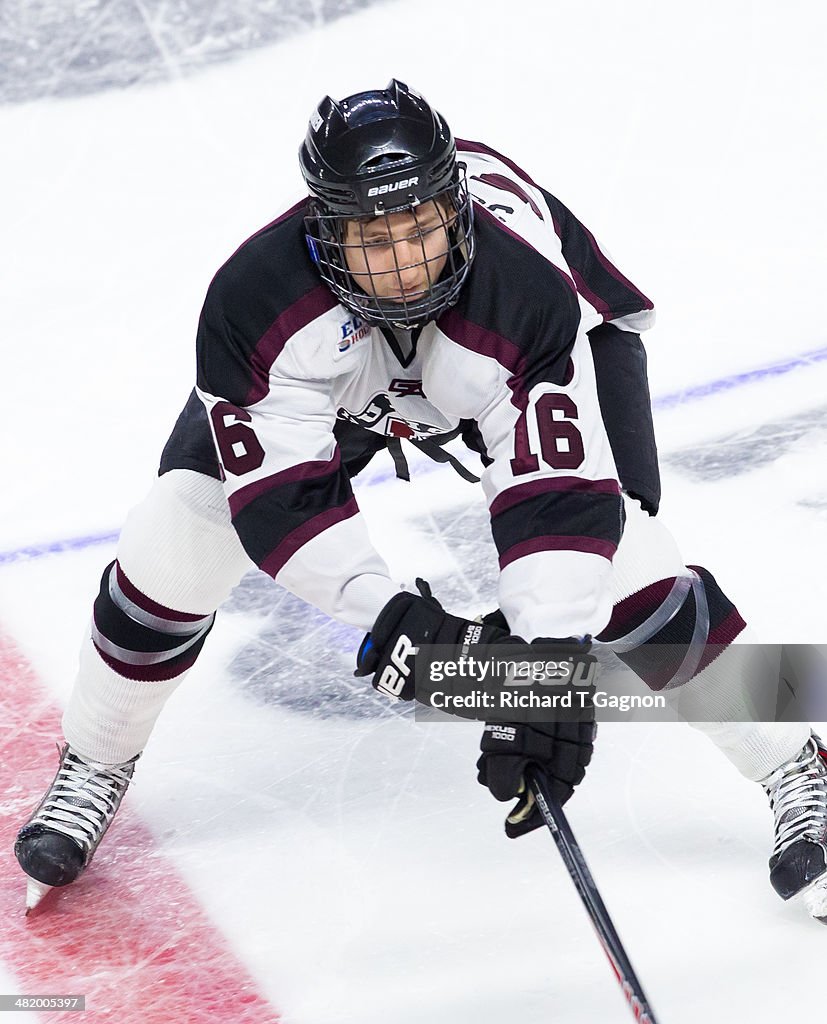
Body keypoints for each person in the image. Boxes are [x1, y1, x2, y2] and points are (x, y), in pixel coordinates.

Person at [15, 80, 827, 921]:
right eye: (374, 236)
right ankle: (97, 757)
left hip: (524, 351)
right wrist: (390, 612)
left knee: (627, 564)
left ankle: (796, 760)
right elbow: (280, 505)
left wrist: (539, 673)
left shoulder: (526, 293)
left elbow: (553, 505)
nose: (406, 265)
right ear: (324, 231)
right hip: (337, 374)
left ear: (457, 213)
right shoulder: (254, 304)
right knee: (178, 533)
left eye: (422, 229)